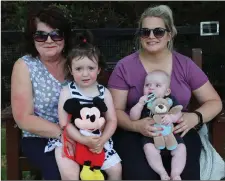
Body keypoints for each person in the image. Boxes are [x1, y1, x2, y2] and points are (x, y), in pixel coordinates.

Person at [108, 4, 222, 180]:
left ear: (169, 35)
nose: (151, 36)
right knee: (141, 175)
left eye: (158, 31)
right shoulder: (125, 67)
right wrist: (136, 126)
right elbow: (115, 110)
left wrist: (195, 117)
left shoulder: (184, 65)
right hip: (136, 132)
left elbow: (214, 102)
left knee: (185, 174)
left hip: (178, 129)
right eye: (145, 32)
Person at [11, 5, 73, 179]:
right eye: (41, 35)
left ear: (65, 37)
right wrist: (66, 135)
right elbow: (24, 118)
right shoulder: (25, 66)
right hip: (39, 137)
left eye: (56, 34)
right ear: (32, 38)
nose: (49, 40)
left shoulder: (75, 61)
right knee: (58, 170)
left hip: (81, 130)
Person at [52, 31, 122, 180]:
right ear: (71, 70)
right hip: (73, 140)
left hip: (99, 140)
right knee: (70, 174)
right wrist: (82, 140)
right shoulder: (67, 91)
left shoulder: (104, 92)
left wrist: (102, 140)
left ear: (98, 69)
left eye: (90, 68)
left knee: (116, 169)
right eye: (79, 69)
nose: (85, 74)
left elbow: (112, 120)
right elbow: (64, 123)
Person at [130, 70, 186, 180]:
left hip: (170, 134)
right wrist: (140, 104)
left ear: (167, 91)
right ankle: (162, 172)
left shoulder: (169, 100)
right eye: (147, 85)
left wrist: (171, 117)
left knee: (181, 148)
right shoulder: (144, 102)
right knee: (149, 149)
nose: (151, 88)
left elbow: (178, 112)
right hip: (151, 135)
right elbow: (133, 117)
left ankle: (176, 173)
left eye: (157, 85)